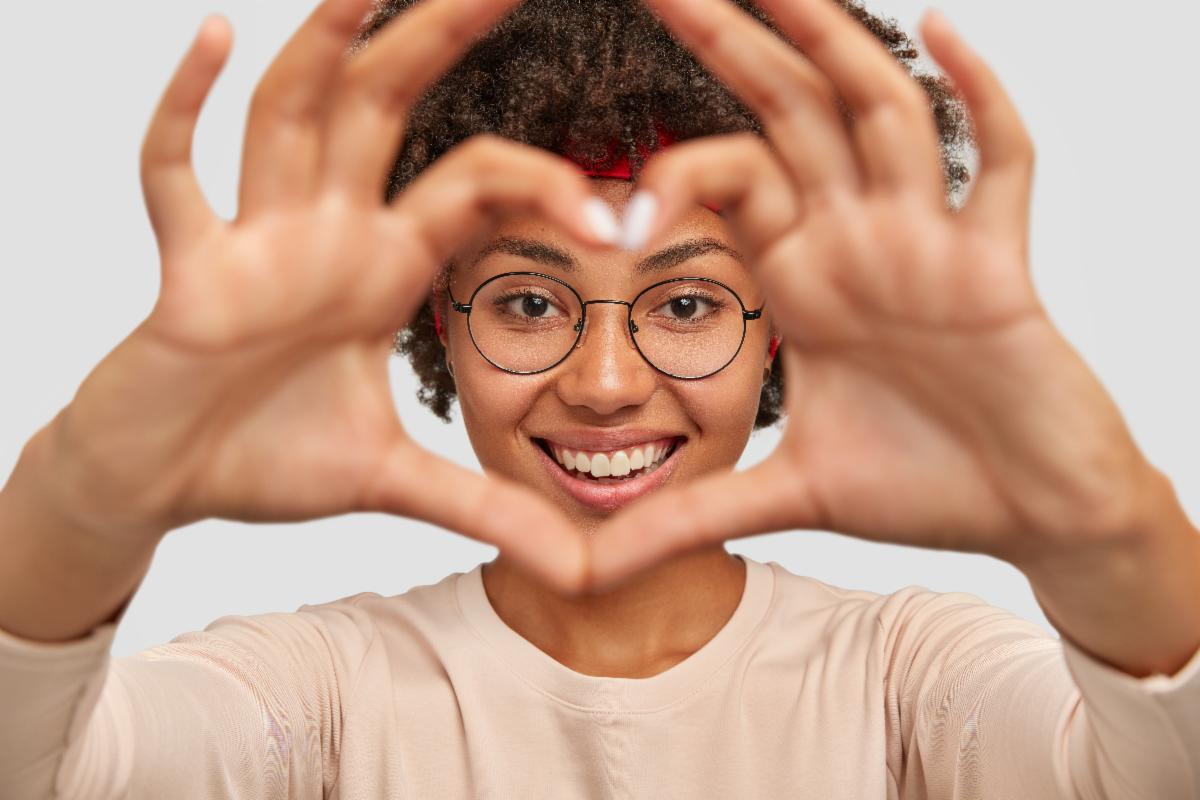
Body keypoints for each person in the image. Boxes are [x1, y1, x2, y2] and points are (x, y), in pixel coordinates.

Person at [0, 0, 1197, 796]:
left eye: (685, 303)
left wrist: (1103, 523)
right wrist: (86, 493)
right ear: (436, 315)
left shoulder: (904, 677)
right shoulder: (322, 692)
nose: (608, 384)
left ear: (780, 317)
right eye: (528, 302)